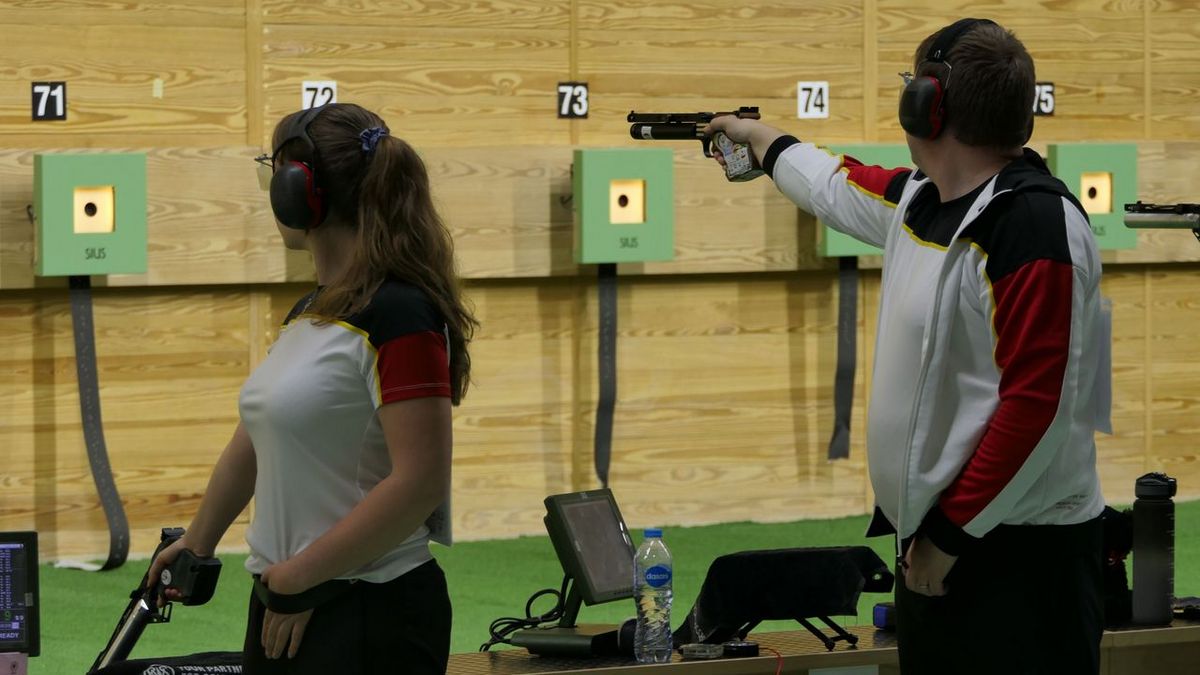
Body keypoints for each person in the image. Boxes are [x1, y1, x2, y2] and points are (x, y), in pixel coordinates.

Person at [708, 18, 1108, 674]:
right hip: (944, 551)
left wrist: (947, 538)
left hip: (1018, 564)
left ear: (927, 104)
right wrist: (760, 138)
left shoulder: (1030, 224)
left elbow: (1038, 411)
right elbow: (837, 183)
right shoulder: (925, 199)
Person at [147, 102, 478, 674]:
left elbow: (420, 481)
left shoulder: (402, 315)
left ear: (301, 191)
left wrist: (303, 576)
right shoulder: (310, 313)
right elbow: (252, 442)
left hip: (368, 608)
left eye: (273, 172)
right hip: (294, 597)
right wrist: (198, 542)